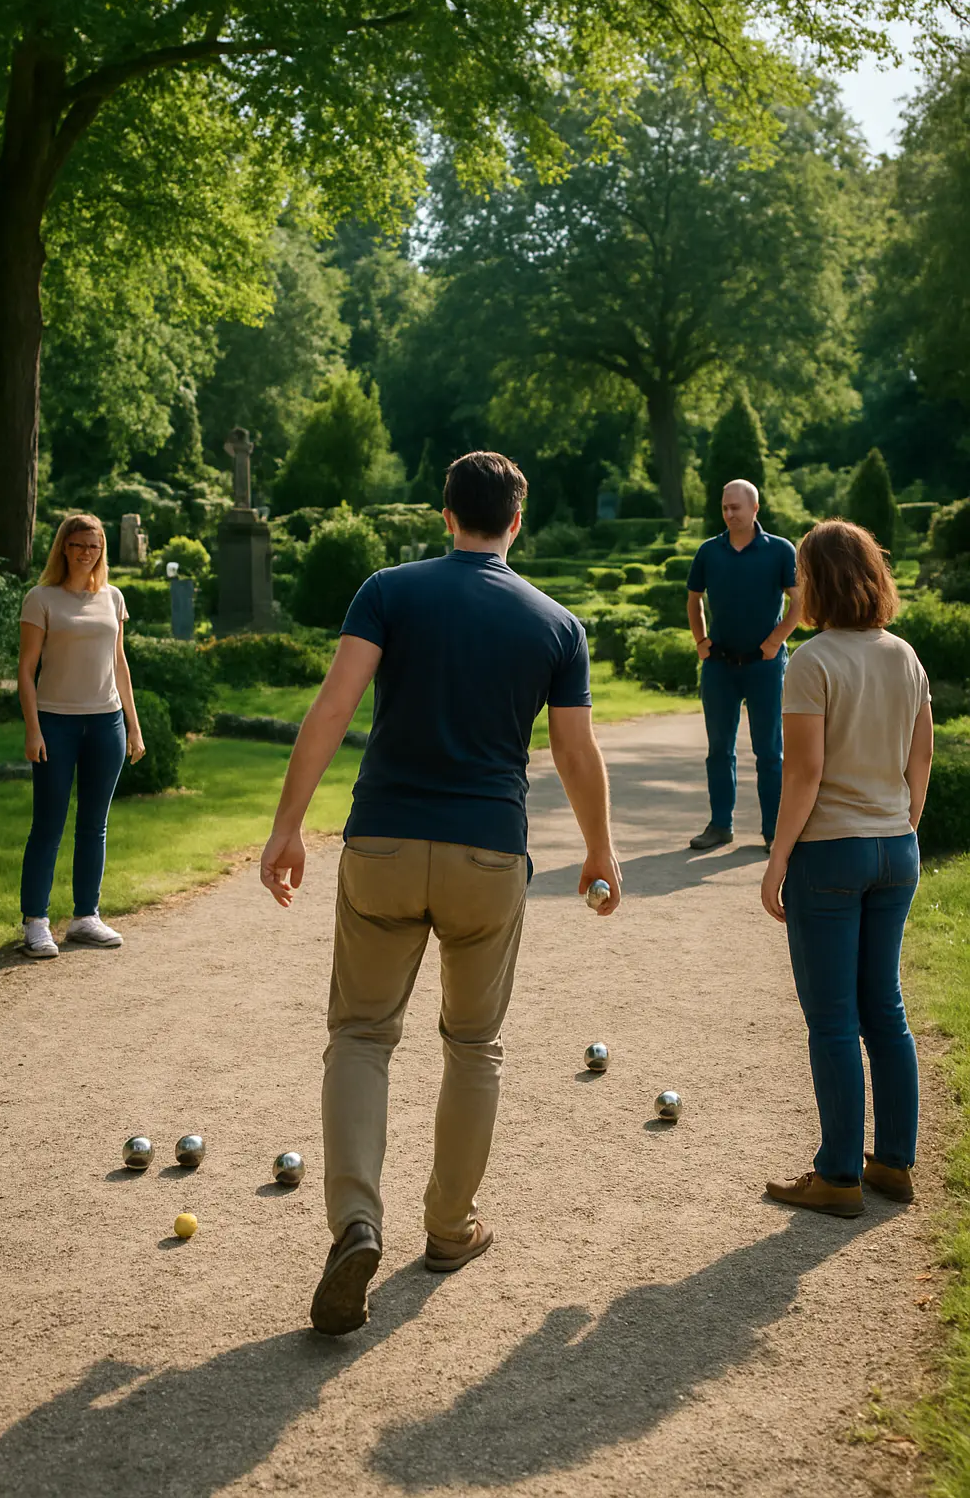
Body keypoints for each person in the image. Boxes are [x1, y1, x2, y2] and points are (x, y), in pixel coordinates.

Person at [260, 451, 621, 1336]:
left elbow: (334, 707)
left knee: (360, 1035)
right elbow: (574, 751)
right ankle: (451, 1228)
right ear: (517, 522)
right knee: (473, 1044)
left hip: (383, 841)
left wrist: (288, 826)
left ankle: (356, 1222)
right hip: (488, 857)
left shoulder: (389, 591)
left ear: (446, 514)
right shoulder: (557, 623)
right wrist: (600, 851)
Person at [761, 520, 933, 1217]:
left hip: (831, 852)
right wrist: (904, 825)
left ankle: (837, 1176)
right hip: (896, 847)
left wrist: (777, 859)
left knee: (832, 1018)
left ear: (818, 582)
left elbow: (804, 773)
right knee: (884, 1011)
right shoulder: (905, 655)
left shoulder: (812, 661)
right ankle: (893, 1163)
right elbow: (920, 758)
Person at [17, 513, 146, 958]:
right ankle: (35, 922)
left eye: (94, 545)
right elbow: (26, 670)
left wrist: (133, 725)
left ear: (101, 550)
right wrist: (33, 729)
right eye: (78, 545)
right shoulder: (41, 598)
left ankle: (86, 917)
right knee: (48, 825)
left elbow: (119, 663)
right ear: (63, 548)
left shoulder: (113, 597)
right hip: (56, 723)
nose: (86, 553)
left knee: (95, 824)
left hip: (106, 724)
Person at [686, 480, 800, 852]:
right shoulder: (709, 551)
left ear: (755, 508)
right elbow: (693, 599)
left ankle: (773, 832)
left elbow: (799, 601)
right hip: (719, 666)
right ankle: (720, 826)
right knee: (719, 749)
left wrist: (775, 641)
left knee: (769, 752)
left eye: (735, 507)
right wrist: (701, 641)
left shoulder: (780, 550)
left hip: (765, 667)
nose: (729, 513)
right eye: (725, 507)